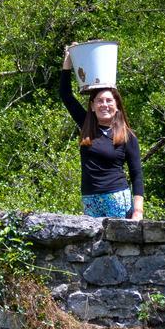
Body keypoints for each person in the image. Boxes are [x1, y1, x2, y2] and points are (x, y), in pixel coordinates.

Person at [60, 45, 144, 220]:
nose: (104, 105)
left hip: (117, 199)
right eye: (99, 101)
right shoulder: (86, 125)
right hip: (90, 199)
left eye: (108, 101)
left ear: (117, 106)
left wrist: (138, 211)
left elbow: (136, 175)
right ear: (92, 106)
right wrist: (68, 62)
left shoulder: (128, 136)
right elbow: (66, 95)